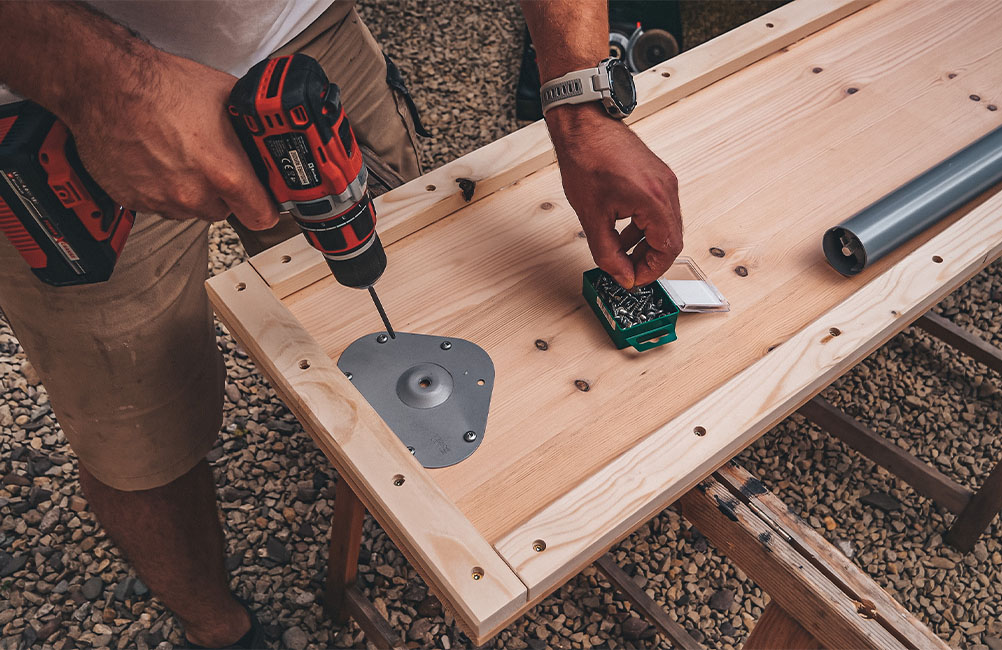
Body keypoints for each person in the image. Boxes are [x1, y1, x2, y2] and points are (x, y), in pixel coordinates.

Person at [0, 1, 682, 646]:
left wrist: (581, 105)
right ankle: (217, 630)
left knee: (416, 306)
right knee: (137, 434)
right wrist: (106, 83)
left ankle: (389, 471)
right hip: (54, 84)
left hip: (298, 32)